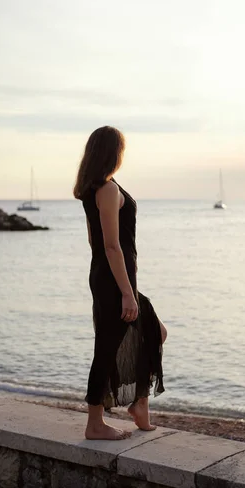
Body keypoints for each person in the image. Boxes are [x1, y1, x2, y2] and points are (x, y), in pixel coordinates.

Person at [74, 126, 166, 440]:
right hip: (115, 279)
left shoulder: (93, 189)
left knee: (156, 331)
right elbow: (112, 246)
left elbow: (93, 241)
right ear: (115, 152)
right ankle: (95, 423)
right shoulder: (109, 190)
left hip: (109, 275)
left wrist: (120, 282)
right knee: (106, 348)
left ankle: (140, 405)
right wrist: (126, 292)